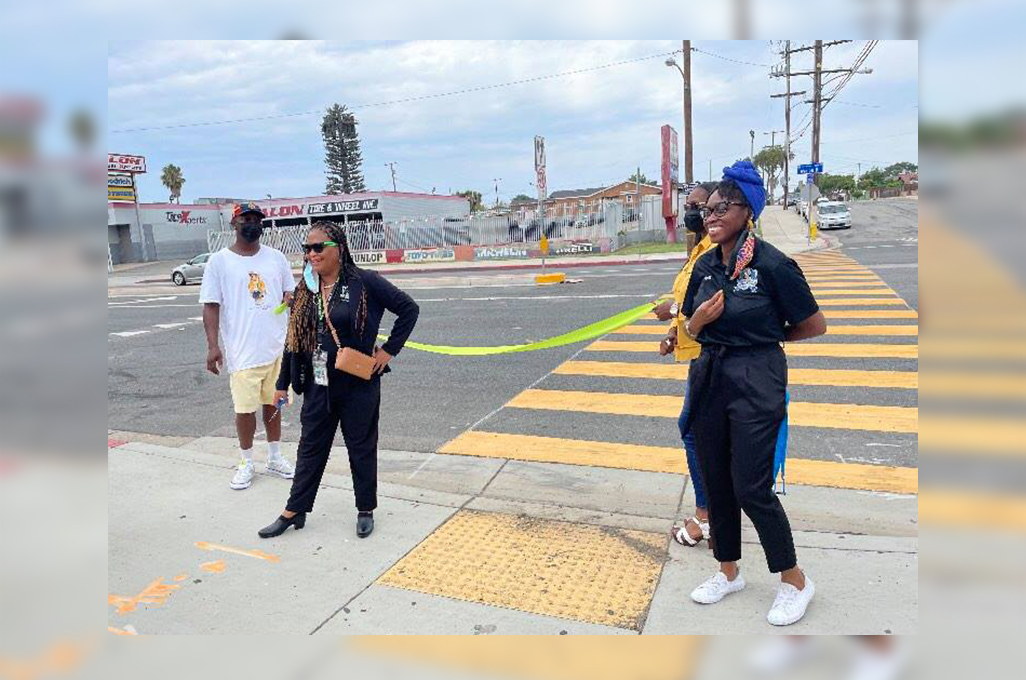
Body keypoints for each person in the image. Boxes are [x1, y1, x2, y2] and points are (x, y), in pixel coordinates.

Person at [681, 160, 827, 626]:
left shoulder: (772, 264)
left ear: (749, 212)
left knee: (750, 486)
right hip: (711, 376)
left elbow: (813, 324)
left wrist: (765, 338)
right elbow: (689, 325)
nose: (713, 213)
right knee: (716, 477)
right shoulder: (705, 265)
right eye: (710, 207)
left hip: (757, 378)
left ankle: (795, 581)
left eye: (725, 205)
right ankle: (727, 571)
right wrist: (697, 323)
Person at [258, 221, 419, 539]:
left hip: (358, 384)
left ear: (339, 249)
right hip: (319, 384)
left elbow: (408, 309)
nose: (312, 253)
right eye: (307, 248)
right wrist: (282, 383)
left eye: (318, 247)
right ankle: (295, 510)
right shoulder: (306, 290)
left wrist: (387, 352)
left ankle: (365, 508)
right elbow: (294, 343)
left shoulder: (365, 283)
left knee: (361, 446)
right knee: (310, 447)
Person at [200, 202, 296, 490]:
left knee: (275, 405)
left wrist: (289, 299)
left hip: (277, 349)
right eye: (246, 219)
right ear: (234, 224)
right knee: (245, 411)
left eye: (256, 219)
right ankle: (246, 461)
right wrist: (212, 346)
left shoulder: (276, 258)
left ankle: (275, 457)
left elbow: (288, 290)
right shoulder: (219, 262)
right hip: (243, 353)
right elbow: (211, 306)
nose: (252, 223)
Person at [654, 181, 718, 547]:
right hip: (696, 349)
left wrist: (674, 311)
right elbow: (691, 299)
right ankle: (712, 514)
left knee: (693, 430)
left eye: (700, 206)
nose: (692, 213)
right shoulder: (699, 248)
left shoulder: (715, 248)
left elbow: (710, 301)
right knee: (697, 431)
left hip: (710, 354)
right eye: (690, 206)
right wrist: (673, 335)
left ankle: (707, 517)